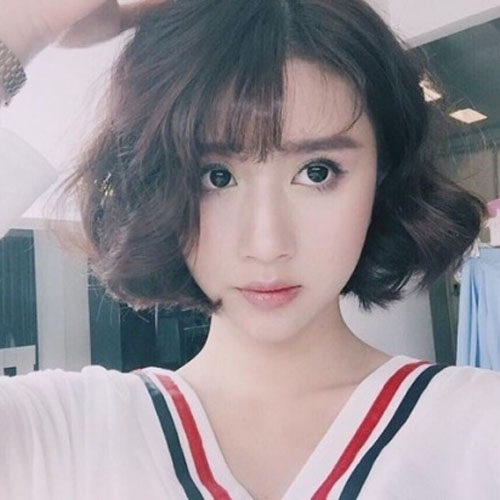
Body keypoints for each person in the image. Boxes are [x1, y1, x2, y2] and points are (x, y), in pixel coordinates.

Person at [1, 0, 499, 499]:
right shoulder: (62, 435)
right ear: (157, 183)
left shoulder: (477, 431)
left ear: (381, 175)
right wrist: (27, 22)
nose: (267, 245)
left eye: (317, 172)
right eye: (217, 176)